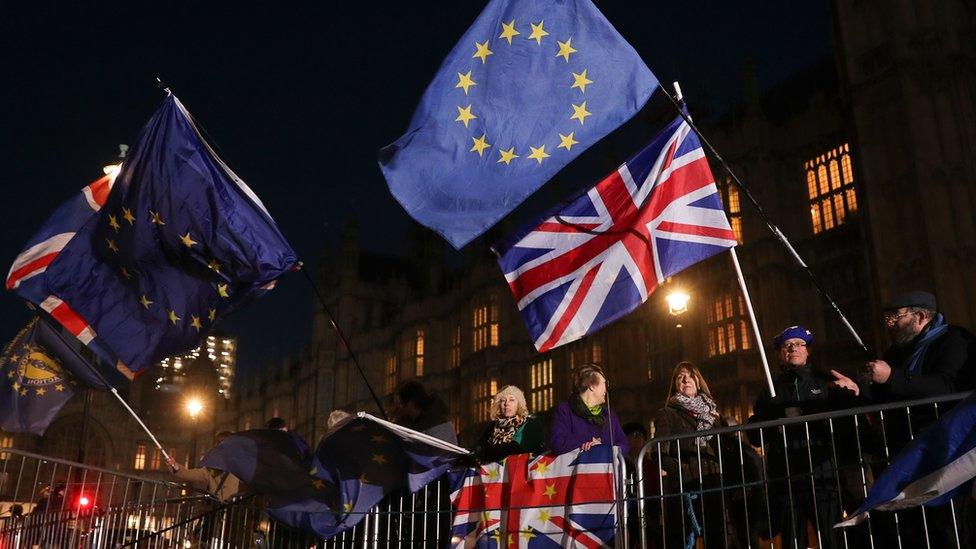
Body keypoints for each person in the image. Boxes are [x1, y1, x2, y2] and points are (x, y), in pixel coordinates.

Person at [747, 326, 861, 549]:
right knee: (793, 540)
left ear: (808, 350)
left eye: (799, 344)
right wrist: (771, 417)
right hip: (787, 479)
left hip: (823, 475)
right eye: (787, 346)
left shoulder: (825, 381)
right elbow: (755, 436)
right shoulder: (771, 390)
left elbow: (848, 425)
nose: (793, 349)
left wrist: (851, 395)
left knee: (832, 537)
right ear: (780, 353)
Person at [653, 362, 746, 548]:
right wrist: (682, 471)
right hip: (685, 489)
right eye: (680, 377)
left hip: (713, 485)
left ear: (698, 381)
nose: (686, 379)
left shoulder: (713, 414)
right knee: (684, 540)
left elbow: (729, 449)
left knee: (717, 538)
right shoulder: (667, 414)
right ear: (675, 385)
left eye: (690, 375)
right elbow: (658, 453)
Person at [550, 363, 628, 456]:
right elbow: (558, 443)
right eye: (604, 383)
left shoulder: (609, 415)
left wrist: (603, 447)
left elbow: (624, 445)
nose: (606, 390)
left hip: (605, 469)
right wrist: (589, 441)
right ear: (592, 386)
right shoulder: (566, 410)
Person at [474, 385, 545, 463]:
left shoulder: (529, 423)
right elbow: (478, 450)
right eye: (503, 400)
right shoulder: (491, 427)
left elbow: (515, 449)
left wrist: (488, 452)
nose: (506, 404)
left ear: (519, 404)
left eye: (512, 400)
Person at [395, 380, 457, 444]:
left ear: (410, 404)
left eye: (401, 404)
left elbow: (433, 452)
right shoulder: (422, 421)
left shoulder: (437, 424)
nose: (400, 408)